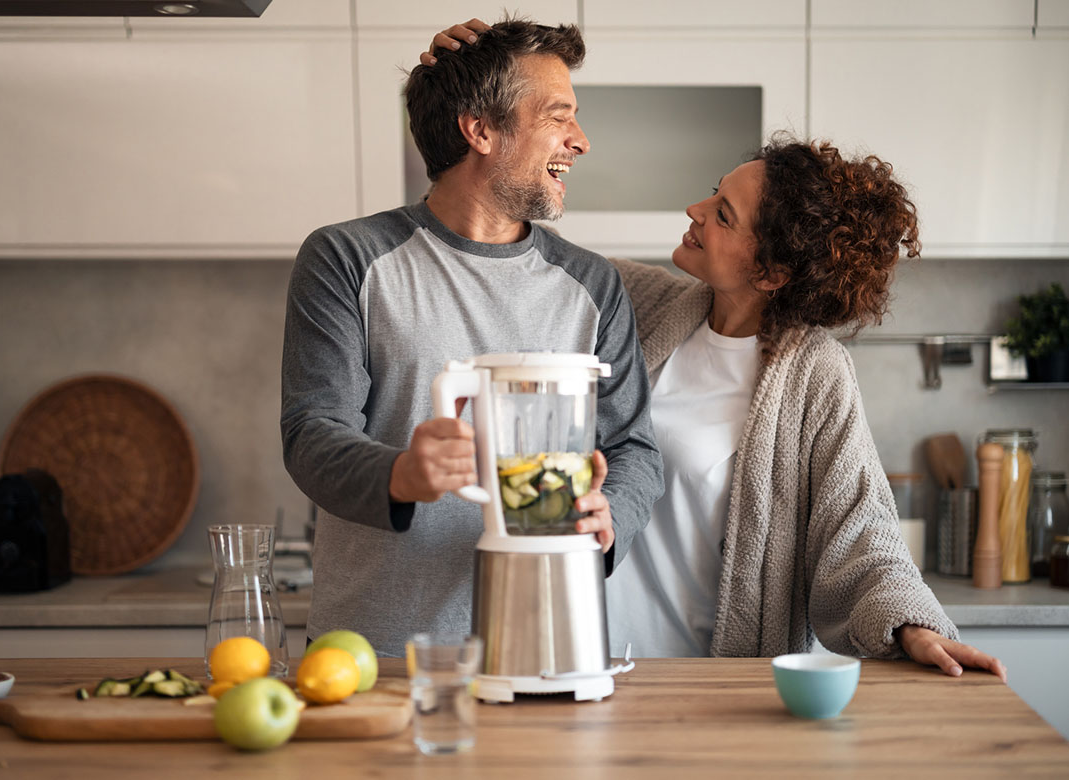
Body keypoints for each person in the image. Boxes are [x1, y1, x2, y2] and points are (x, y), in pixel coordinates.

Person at [424, 24, 1005, 680]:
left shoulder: (815, 375)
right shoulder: (640, 301)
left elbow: (861, 533)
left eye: (724, 214)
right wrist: (457, 88)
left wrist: (913, 625)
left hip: (711, 680)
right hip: (585, 663)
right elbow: (502, 245)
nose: (695, 209)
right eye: (714, 190)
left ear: (772, 272)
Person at [281, 18, 664, 658]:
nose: (580, 141)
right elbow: (311, 434)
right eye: (558, 117)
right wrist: (402, 472)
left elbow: (633, 448)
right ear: (480, 129)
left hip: (548, 645)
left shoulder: (593, 283)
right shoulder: (346, 258)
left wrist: (611, 515)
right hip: (374, 656)